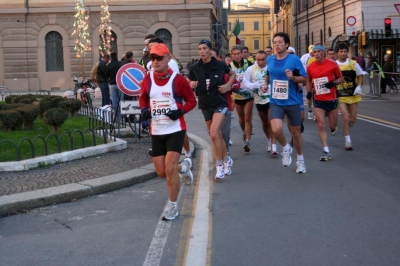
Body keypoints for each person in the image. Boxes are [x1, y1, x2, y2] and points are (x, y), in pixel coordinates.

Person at [139, 43, 196, 221]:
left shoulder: (178, 80)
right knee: (161, 172)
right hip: (157, 130)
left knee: (169, 169)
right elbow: (143, 98)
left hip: (175, 129)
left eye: (159, 58)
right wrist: (144, 110)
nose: (155, 61)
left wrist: (179, 111)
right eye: (152, 58)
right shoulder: (148, 78)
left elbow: (191, 101)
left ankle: (172, 206)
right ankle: (184, 167)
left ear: (168, 59)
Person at [187, 39, 235, 179]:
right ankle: (227, 159)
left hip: (220, 103)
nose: (202, 51)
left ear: (209, 50)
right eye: (200, 49)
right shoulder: (196, 67)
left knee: (214, 134)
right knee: (217, 135)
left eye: (204, 48)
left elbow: (232, 74)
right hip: (205, 104)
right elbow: (188, 80)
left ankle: (219, 165)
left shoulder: (220, 65)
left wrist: (227, 85)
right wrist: (191, 84)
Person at [263, 32, 307, 174]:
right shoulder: (270, 60)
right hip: (276, 101)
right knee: (275, 129)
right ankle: (286, 148)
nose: (277, 44)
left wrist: (293, 77)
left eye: (280, 42)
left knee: (296, 133)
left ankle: (300, 160)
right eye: (275, 42)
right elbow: (268, 74)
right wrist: (265, 84)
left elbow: (304, 79)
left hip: (292, 101)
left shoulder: (294, 59)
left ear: (287, 44)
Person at [306, 46, 344, 161]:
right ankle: (326, 151)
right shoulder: (310, 67)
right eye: (314, 52)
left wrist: (333, 83)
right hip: (318, 99)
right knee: (321, 124)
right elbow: (308, 80)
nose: (316, 54)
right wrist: (309, 92)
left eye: (318, 52)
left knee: (332, 126)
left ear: (324, 53)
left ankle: (333, 128)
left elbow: (341, 78)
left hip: (331, 98)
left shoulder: (332, 64)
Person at [243, 51, 273, 152]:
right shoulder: (251, 69)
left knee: (271, 121)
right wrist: (254, 85)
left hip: (271, 98)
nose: (260, 62)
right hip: (259, 99)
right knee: (265, 123)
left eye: (262, 60)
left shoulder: (271, 67)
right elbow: (245, 82)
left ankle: (274, 145)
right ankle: (269, 139)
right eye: (258, 60)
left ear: (266, 59)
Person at [335, 43, 364, 150]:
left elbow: (360, 75)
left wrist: (359, 86)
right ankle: (348, 141)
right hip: (340, 96)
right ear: (337, 53)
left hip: (353, 95)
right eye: (341, 51)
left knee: (352, 119)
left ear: (347, 52)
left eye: (345, 51)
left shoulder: (353, 64)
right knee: (345, 117)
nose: (343, 53)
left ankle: (350, 122)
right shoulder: (334, 65)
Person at [230, 45, 254, 152]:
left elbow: (255, 75)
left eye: (238, 53)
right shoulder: (229, 66)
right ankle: (244, 132)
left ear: (242, 54)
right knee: (241, 118)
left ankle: (248, 141)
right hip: (237, 95)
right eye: (234, 54)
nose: (237, 56)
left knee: (248, 117)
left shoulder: (248, 64)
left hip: (249, 95)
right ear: (232, 55)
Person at [300, 45, 315, 120]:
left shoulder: (318, 57)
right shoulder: (305, 57)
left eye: (313, 52)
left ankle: (316, 113)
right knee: (309, 95)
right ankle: (309, 110)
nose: (312, 54)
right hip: (308, 78)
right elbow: (300, 65)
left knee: (317, 96)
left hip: (316, 78)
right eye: (311, 52)